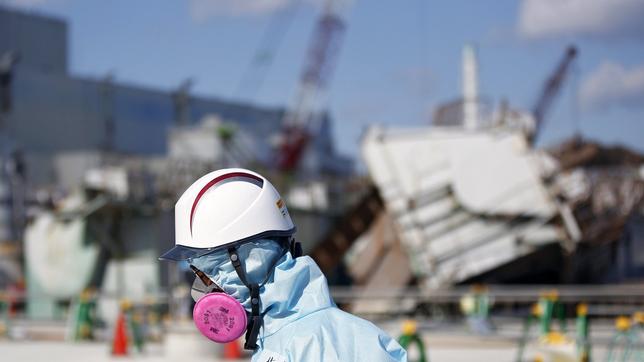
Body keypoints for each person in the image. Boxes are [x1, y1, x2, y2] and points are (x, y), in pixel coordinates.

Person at [160, 168, 407, 361]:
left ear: (253, 260)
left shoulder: (331, 347)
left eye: (212, 271)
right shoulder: (276, 338)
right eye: (201, 274)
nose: (205, 287)